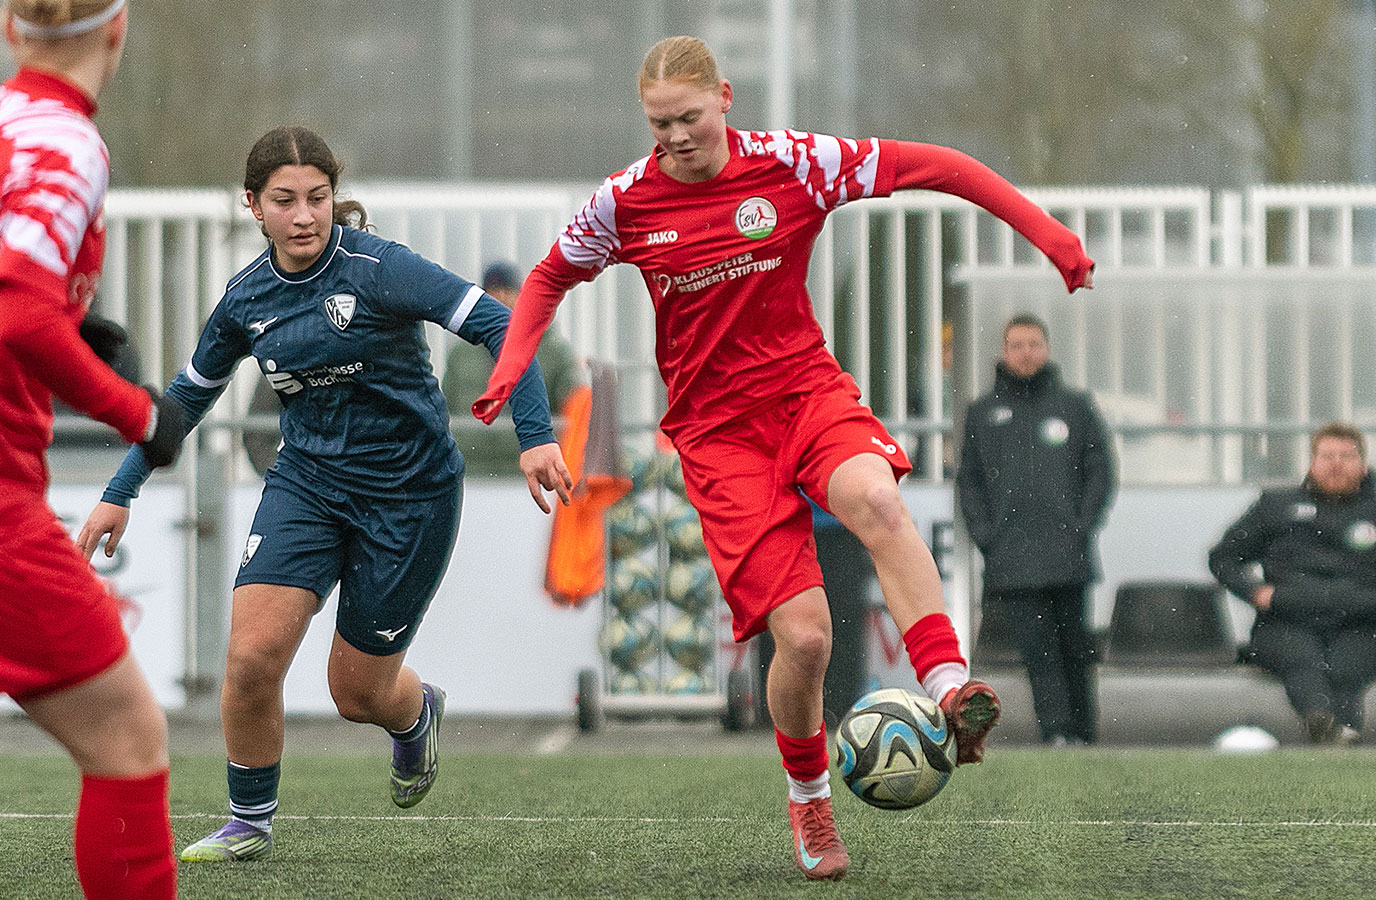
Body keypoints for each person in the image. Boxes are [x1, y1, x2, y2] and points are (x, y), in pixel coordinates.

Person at [472, 36, 1094, 881]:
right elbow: (545, 281)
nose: (676, 138)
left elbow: (941, 167)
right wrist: (515, 388)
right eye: (660, 125)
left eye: (689, 118)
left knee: (875, 501)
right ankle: (810, 800)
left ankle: (948, 686)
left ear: (725, 98)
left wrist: (1048, 235)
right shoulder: (624, 201)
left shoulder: (796, 163)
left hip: (807, 393)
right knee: (804, 640)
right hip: (719, 436)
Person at [75, 126, 573, 862]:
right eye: (285, 201)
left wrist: (535, 434)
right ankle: (249, 821)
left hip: (411, 496)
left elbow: (504, 324)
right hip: (307, 484)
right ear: (253, 206)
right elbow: (185, 398)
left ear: (333, 199)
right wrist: (122, 491)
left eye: (318, 198)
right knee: (249, 658)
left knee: (357, 695)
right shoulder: (247, 299)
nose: (305, 215)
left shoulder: (380, 269)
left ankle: (414, 716)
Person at [0, 1, 184, 897]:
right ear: (118, 30)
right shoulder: (69, 143)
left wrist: (69, 322)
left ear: (12, 29)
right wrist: (138, 413)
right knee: (128, 743)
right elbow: (18, 314)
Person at [1209, 422, 1376, 745]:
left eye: (1346, 456)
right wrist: (1253, 591)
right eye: (1326, 455)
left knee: (1345, 670)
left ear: (1363, 465)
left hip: (1362, 623)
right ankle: (1325, 724)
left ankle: (1332, 733)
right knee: (1304, 663)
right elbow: (1223, 558)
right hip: (1286, 621)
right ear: (1312, 462)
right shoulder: (1275, 506)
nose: (1335, 464)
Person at [957, 313, 1114, 747]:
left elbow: (1100, 471)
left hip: (1068, 552)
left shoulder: (1074, 407)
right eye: (1017, 345)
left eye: (1033, 344)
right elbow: (968, 481)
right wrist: (987, 535)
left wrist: (1082, 524)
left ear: (1046, 349)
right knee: (1038, 653)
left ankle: (1085, 732)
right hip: (1012, 557)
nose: (1026, 353)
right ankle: (1056, 732)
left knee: (1074, 650)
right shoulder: (983, 413)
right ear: (1004, 353)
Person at [440, 260, 580, 476]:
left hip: (529, 473)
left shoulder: (554, 351)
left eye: (507, 290)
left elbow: (575, 405)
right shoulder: (461, 353)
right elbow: (444, 406)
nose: (500, 298)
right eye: (491, 292)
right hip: (471, 472)